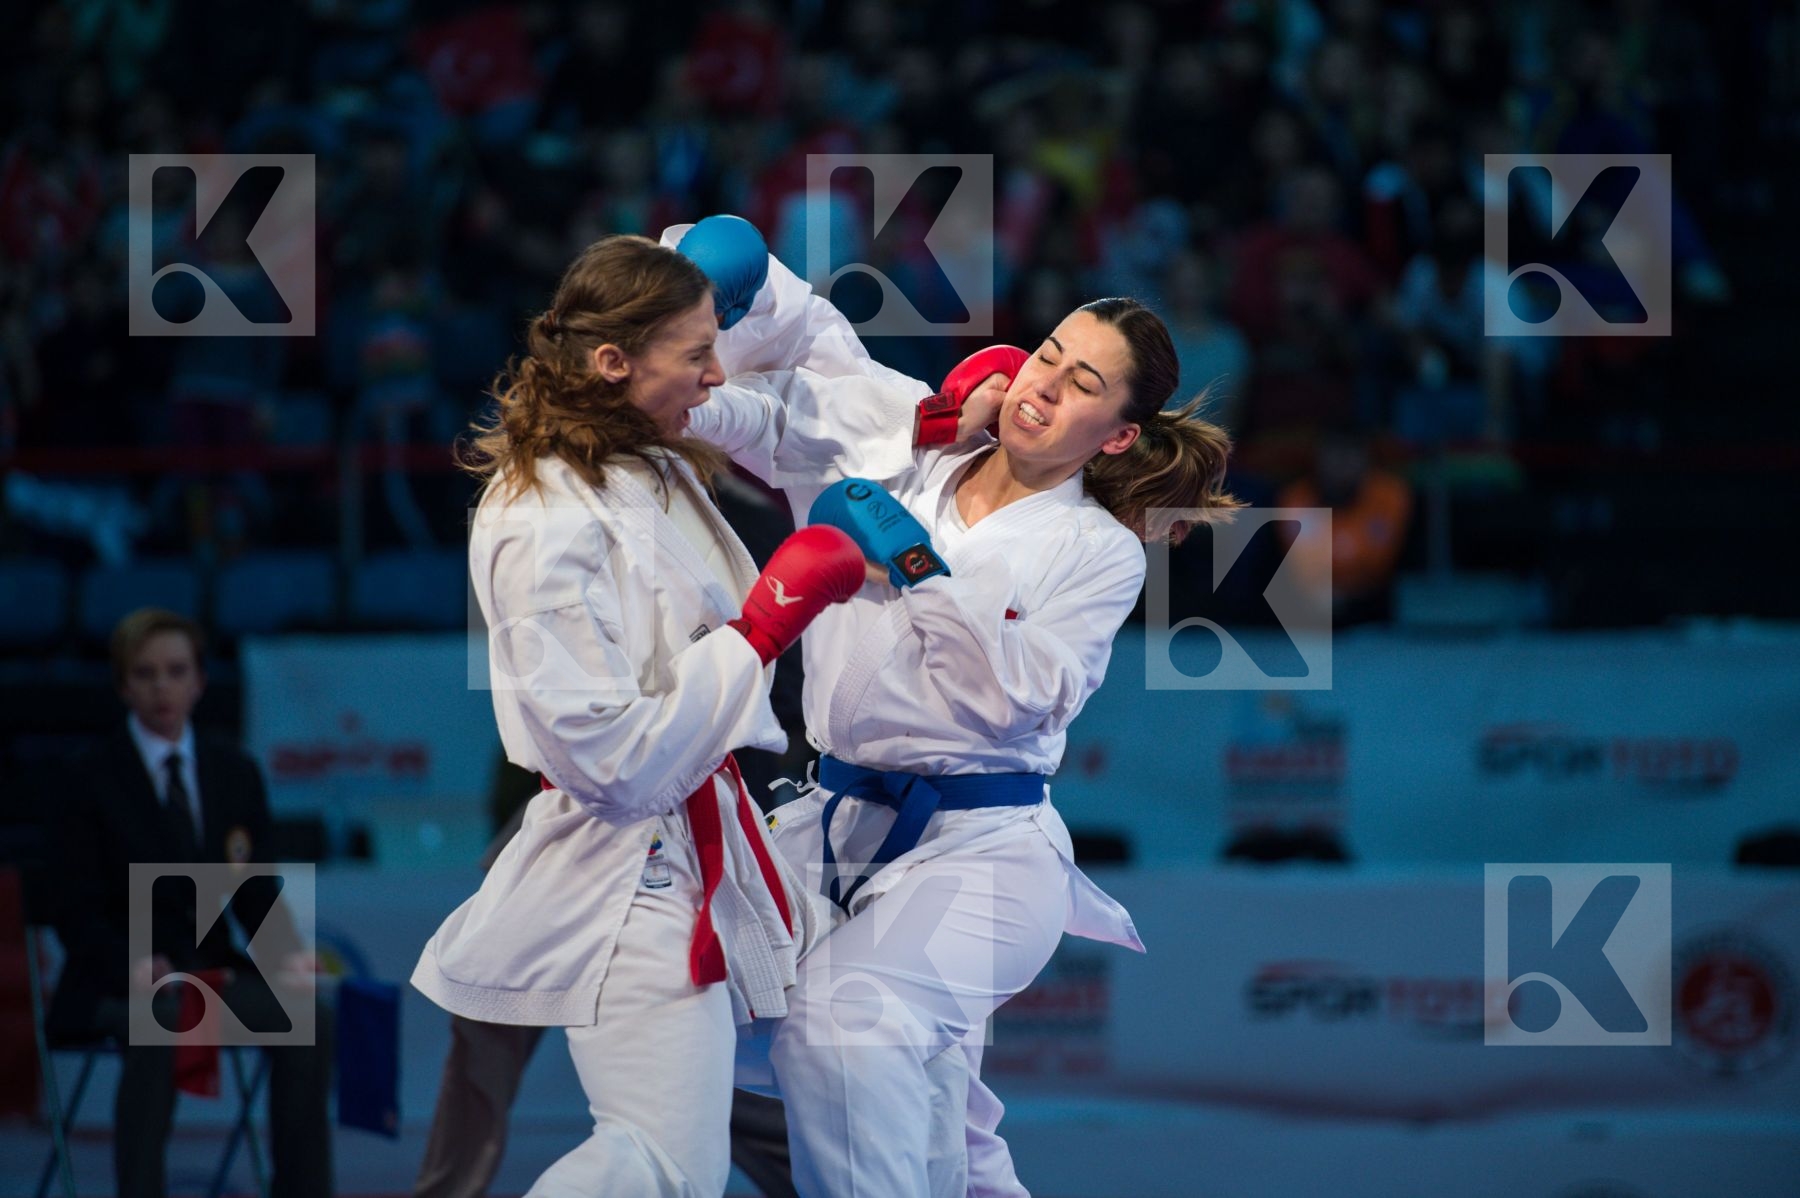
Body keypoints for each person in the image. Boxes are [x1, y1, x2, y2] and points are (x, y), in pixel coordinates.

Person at [662, 219, 1243, 1196]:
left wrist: (916, 565)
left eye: (1084, 385)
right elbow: (793, 377)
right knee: (711, 1015)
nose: (1046, 386)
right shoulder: (907, 441)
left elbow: (1017, 697)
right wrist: (705, 305)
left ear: (1119, 435)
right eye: (1048, 355)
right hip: (834, 823)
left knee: (846, 1027)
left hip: (983, 855)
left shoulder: (1097, 551)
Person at [411, 231, 859, 1198]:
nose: (716, 373)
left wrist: (940, 420)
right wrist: (762, 630)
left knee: (848, 1082)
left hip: (702, 843)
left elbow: (777, 412)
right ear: (614, 361)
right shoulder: (544, 518)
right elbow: (611, 762)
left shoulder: (638, 450)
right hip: (627, 867)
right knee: (662, 1162)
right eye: (697, 353)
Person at [48, 607, 332, 1198]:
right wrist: (132, 962)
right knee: (159, 1014)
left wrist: (287, 959)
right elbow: (72, 907)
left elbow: (253, 891)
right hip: (114, 982)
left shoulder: (234, 772)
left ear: (199, 681)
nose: (162, 687)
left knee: (311, 1016)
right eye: (145, 673)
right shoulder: (87, 777)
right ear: (124, 686)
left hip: (205, 973)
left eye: (176, 672)